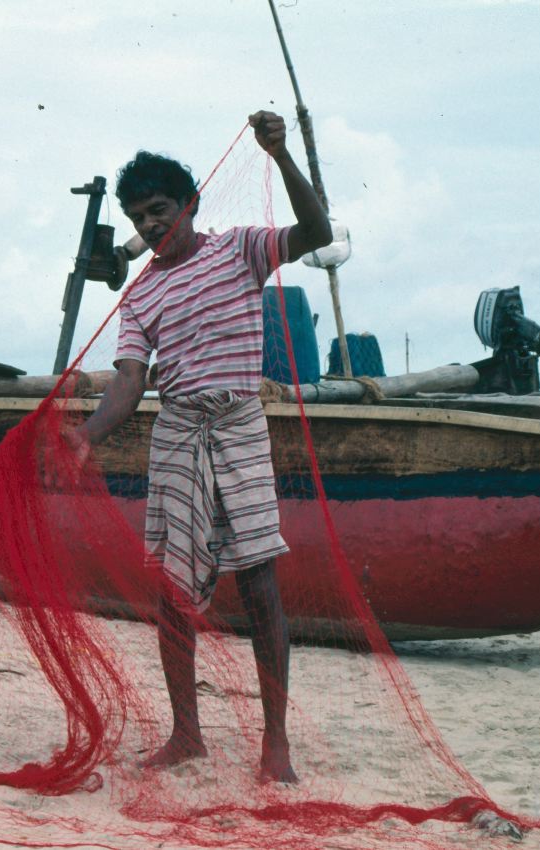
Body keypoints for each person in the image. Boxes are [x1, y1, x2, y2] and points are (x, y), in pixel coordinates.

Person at [63, 111, 331, 783]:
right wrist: (86, 437)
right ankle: (188, 734)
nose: (151, 226)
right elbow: (128, 384)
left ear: (191, 204)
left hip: (238, 425)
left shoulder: (240, 249)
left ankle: (276, 744)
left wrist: (280, 154)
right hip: (178, 435)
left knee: (261, 581)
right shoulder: (140, 296)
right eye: (139, 217)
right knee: (174, 591)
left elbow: (318, 233)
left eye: (160, 210)